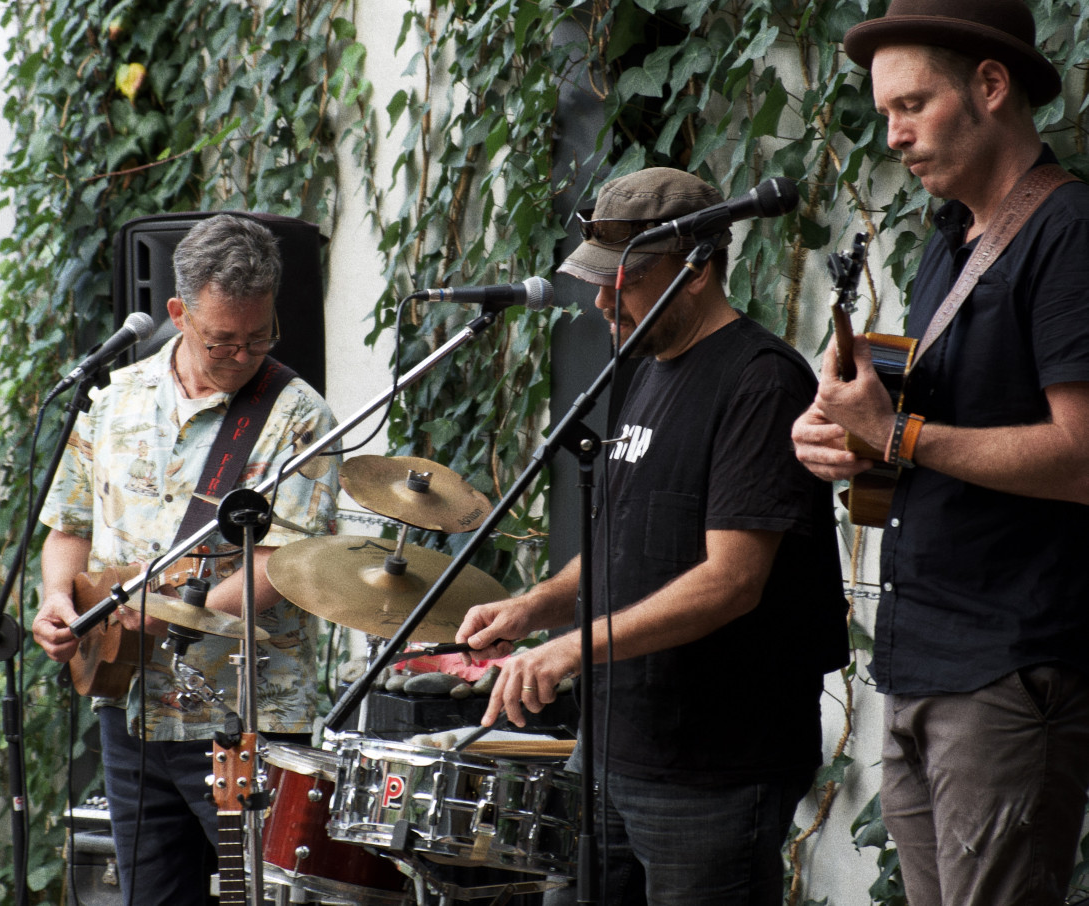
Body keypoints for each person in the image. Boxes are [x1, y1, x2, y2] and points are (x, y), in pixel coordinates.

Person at [456, 167, 848, 905]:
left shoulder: (761, 382)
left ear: (695, 270)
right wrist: (533, 608)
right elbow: (629, 541)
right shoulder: (647, 370)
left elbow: (731, 580)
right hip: (612, 749)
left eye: (626, 280)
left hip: (713, 767)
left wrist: (572, 646)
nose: (604, 298)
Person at [791, 2, 1089, 904]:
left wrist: (897, 434)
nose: (895, 136)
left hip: (1009, 664)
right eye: (885, 114)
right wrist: (844, 433)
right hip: (921, 653)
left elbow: (1080, 458)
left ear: (992, 87)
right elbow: (911, 430)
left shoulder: (1067, 232)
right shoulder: (945, 243)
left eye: (912, 105)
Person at [32, 214, 340, 904]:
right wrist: (57, 598)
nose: (240, 355)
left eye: (259, 337)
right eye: (221, 339)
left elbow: (287, 564)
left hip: (240, 715)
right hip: (130, 707)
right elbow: (69, 526)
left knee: (258, 894)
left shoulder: (298, 415)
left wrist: (165, 615)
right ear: (178, 312)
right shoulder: (116, 399)